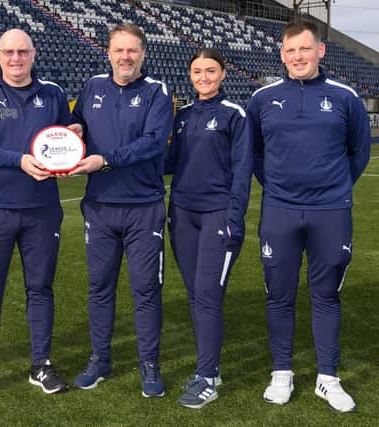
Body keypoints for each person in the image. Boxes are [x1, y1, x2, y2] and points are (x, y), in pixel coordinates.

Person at [247, 19, 370, 412]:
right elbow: (255, 154)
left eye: (304, 49)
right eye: (290, 51)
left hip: (331, 213)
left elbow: (359, 152)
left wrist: (332, 188)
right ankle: (282, 372)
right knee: (279, 296)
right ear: (281, 55)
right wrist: (281, 188)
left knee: (326, 295)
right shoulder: (263, 99)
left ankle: (327, 377)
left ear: (320, 51)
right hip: (280, 211)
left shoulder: (345, 96)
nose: (297, 57)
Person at [0, 28, 71, 401]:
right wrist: (18, 160)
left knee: (40, 289)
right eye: (9, 52)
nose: (16, 58)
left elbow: (61, 139)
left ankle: (41, 364)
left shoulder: (53, 94)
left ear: (33, 54)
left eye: (22, 52)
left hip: (41, 211)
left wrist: (71, 141)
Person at [68, 23, 173, 398]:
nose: (125, 57)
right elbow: (76, 120)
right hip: (99, 208)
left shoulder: (157, 92)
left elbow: (152, 143)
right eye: (118, 50)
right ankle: (100, 359)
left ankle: (149, 362)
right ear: (108, 53)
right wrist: (74, 128)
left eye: (132, 51)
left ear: (143, 54)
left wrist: (105, 161)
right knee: (99, 287)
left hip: (143, 208)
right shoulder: (93, 86)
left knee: (146, 289)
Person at [165, 48, 252, 408]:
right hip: (182, 213)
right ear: (191, 75)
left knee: (207, 294)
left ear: (223, 74)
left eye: (210, 71)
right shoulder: (182, 115)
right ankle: (208, 370)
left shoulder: (236, 115)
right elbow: (168, 163)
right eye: (197, 71)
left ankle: (208, 377)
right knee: (196, 294)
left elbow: (243, 172)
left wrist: (234, 219)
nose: (203, 77)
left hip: (218, 216)